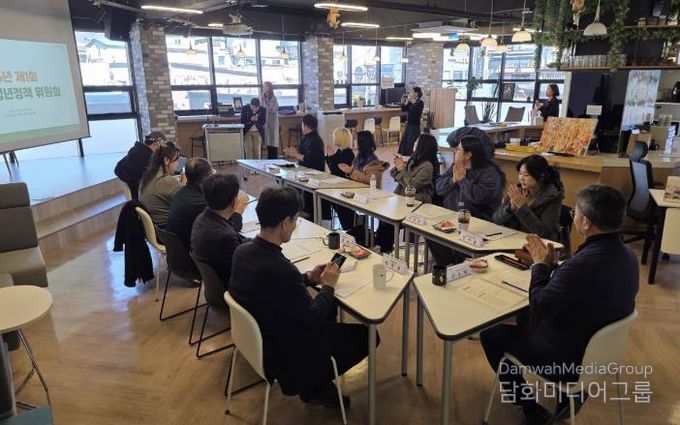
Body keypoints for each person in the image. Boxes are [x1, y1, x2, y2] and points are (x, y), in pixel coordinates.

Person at [480, 184, 639, 425]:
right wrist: (553, 268)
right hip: (602, 351)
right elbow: (584, 290)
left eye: (575, 212)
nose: (573, 216)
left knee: (491, 334)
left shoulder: (582, 264)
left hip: (569, 360)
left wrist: (540, 265)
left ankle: (530, 408)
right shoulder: (628, 255)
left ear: (585, 223)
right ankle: (568, 399)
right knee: (523, 317)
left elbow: (540, 306)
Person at [229, 187, 375, 407]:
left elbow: (275, 287)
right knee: (369, 336)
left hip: (262, 340)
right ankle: (313, 384)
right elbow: (312, 317)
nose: (295, 225)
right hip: (288, 352)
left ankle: (316, 383)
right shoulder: (281, 269)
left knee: (330, 309)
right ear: (285, 223)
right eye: (295, 220)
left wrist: (308, 278)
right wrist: (328, 286)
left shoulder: (242, 252)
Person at [429, 136, 505, 265]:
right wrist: (453, 180)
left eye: (458, 149)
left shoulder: (489, 173)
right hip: (451, 220)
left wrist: (463, 180)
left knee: (459, 246)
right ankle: (447, 265)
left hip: (477, 225)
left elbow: (479, 197)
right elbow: (439, 188)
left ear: (468, 155)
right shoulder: (456, 166)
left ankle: (458, 265)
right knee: (431, 235)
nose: (455, 151)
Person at [375, 134, 439, 253]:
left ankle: (384, 249)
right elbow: (398, 176)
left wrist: (401, 169)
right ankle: (381, 247)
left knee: (388, 222)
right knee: (384, 217)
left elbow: (412, 186)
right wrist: (399, 166)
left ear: (422, 146)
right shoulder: (413, 160)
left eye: (417, 141)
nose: (414, 143)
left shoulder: (427, 166)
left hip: (417, 203)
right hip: (402, 200)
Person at [166, 158, 243, 249]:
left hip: (179, 249)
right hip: (191, 251)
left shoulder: (180, 193)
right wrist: (238, 211)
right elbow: (230, 229)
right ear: (208, 178)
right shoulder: (201, 204)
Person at [190, 174, 249, 286]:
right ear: (234, 201)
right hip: (231, 286)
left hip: (214, 284)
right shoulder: (225, 236)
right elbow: (245, 264)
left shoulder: (201, 218)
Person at [492, 155, 565, 242]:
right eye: (520, 173)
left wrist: (522, 207)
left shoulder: (552, 197)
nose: (521, 178)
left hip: (539, 244)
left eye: (526, 175)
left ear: (541, 176)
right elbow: (496, 219)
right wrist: (510, 209)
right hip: (513, 239)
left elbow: (543, 232)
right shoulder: (518, 190)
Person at [139, 142, 184, 227]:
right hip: (166, 228)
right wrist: (184, 184)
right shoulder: (166, 181)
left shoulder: (148, 176)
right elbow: (185, 200)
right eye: (176, 160)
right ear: (166, 160)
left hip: (155, 225)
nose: (178, 164)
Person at [114, 131, 165, 199]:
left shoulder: (139, 150)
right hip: (135, 186)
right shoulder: (145, 155)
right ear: (155, 144)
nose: (160, 149)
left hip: (131, 182)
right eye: (160, 146)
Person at [325, 128, 355, 229]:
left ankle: (348, 225)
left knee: (336, 203)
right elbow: (333, 169)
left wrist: (331, 156)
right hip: (339, 183)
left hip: (345, 185)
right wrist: (330, 156)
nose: (333, 139)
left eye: (335, 136)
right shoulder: (340, 151)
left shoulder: (348, 153)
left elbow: (336, 171)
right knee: (326, 198)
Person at [398, 86, 424, 155]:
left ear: (418, 93)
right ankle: (405, 156)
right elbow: (403, 109)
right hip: (409, 125)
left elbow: (416, 112)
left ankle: (412, 156)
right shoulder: (411, 102)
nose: (412, 93)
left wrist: (412, 102)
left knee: (411, 142)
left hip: (415, 126)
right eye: (412, 92)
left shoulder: (420, 103)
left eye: (414, 92)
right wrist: (404, 101)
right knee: (405, 141)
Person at [262, 81, 280, 159]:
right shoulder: (262, 97)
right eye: (264, 86)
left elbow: (272, 110)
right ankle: (269, 159)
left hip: (272, 122)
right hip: (266, 122)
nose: (264, 88)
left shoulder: (273, 98)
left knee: (273, 142)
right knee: (268, 142)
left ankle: (274, 159)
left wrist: (266, 103)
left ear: (270, 88)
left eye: (266, 86)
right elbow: (261, 108)